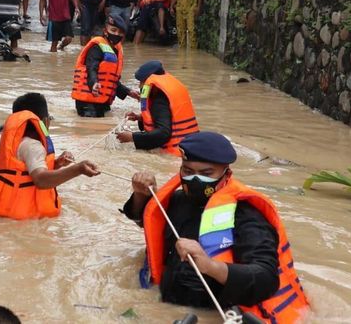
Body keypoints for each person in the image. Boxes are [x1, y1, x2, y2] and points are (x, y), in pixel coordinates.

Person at [121, 131, 310, 322]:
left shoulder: (247, 214)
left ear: (226, 173)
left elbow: (266, 279)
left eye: (206, 174)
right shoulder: (177, 200)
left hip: (215, 313)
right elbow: (147, 224)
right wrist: (141, 195)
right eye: (187, 171)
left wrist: (211, 266)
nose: (195, 180)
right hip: (163, 305)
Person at [0, 93, 100, 220]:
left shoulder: (17, 141)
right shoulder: (33, 146)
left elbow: (23, 171)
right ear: (45, 121)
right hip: (20, 218)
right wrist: (78, 169)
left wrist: (56, 164)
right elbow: (40, 180)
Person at [117, 60, 199, 155]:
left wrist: (132, 137)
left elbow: (163, 134)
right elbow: (170, 118)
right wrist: (140, 117)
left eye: (141, 82)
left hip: (175, 154)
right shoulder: (169, 91)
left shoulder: (159, 100)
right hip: (190, 148)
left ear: (149, 80)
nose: (140, 86)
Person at [71, 15, 138, 118]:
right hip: (87, 101)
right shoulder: (96, 47)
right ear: (105, 31)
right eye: (113, 30)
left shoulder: (116, 50)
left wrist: (129, 92)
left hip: (103, 100)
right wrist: (94, 83)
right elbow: (91, 69)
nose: (117, 34)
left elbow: (111, 80)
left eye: (120, 32)